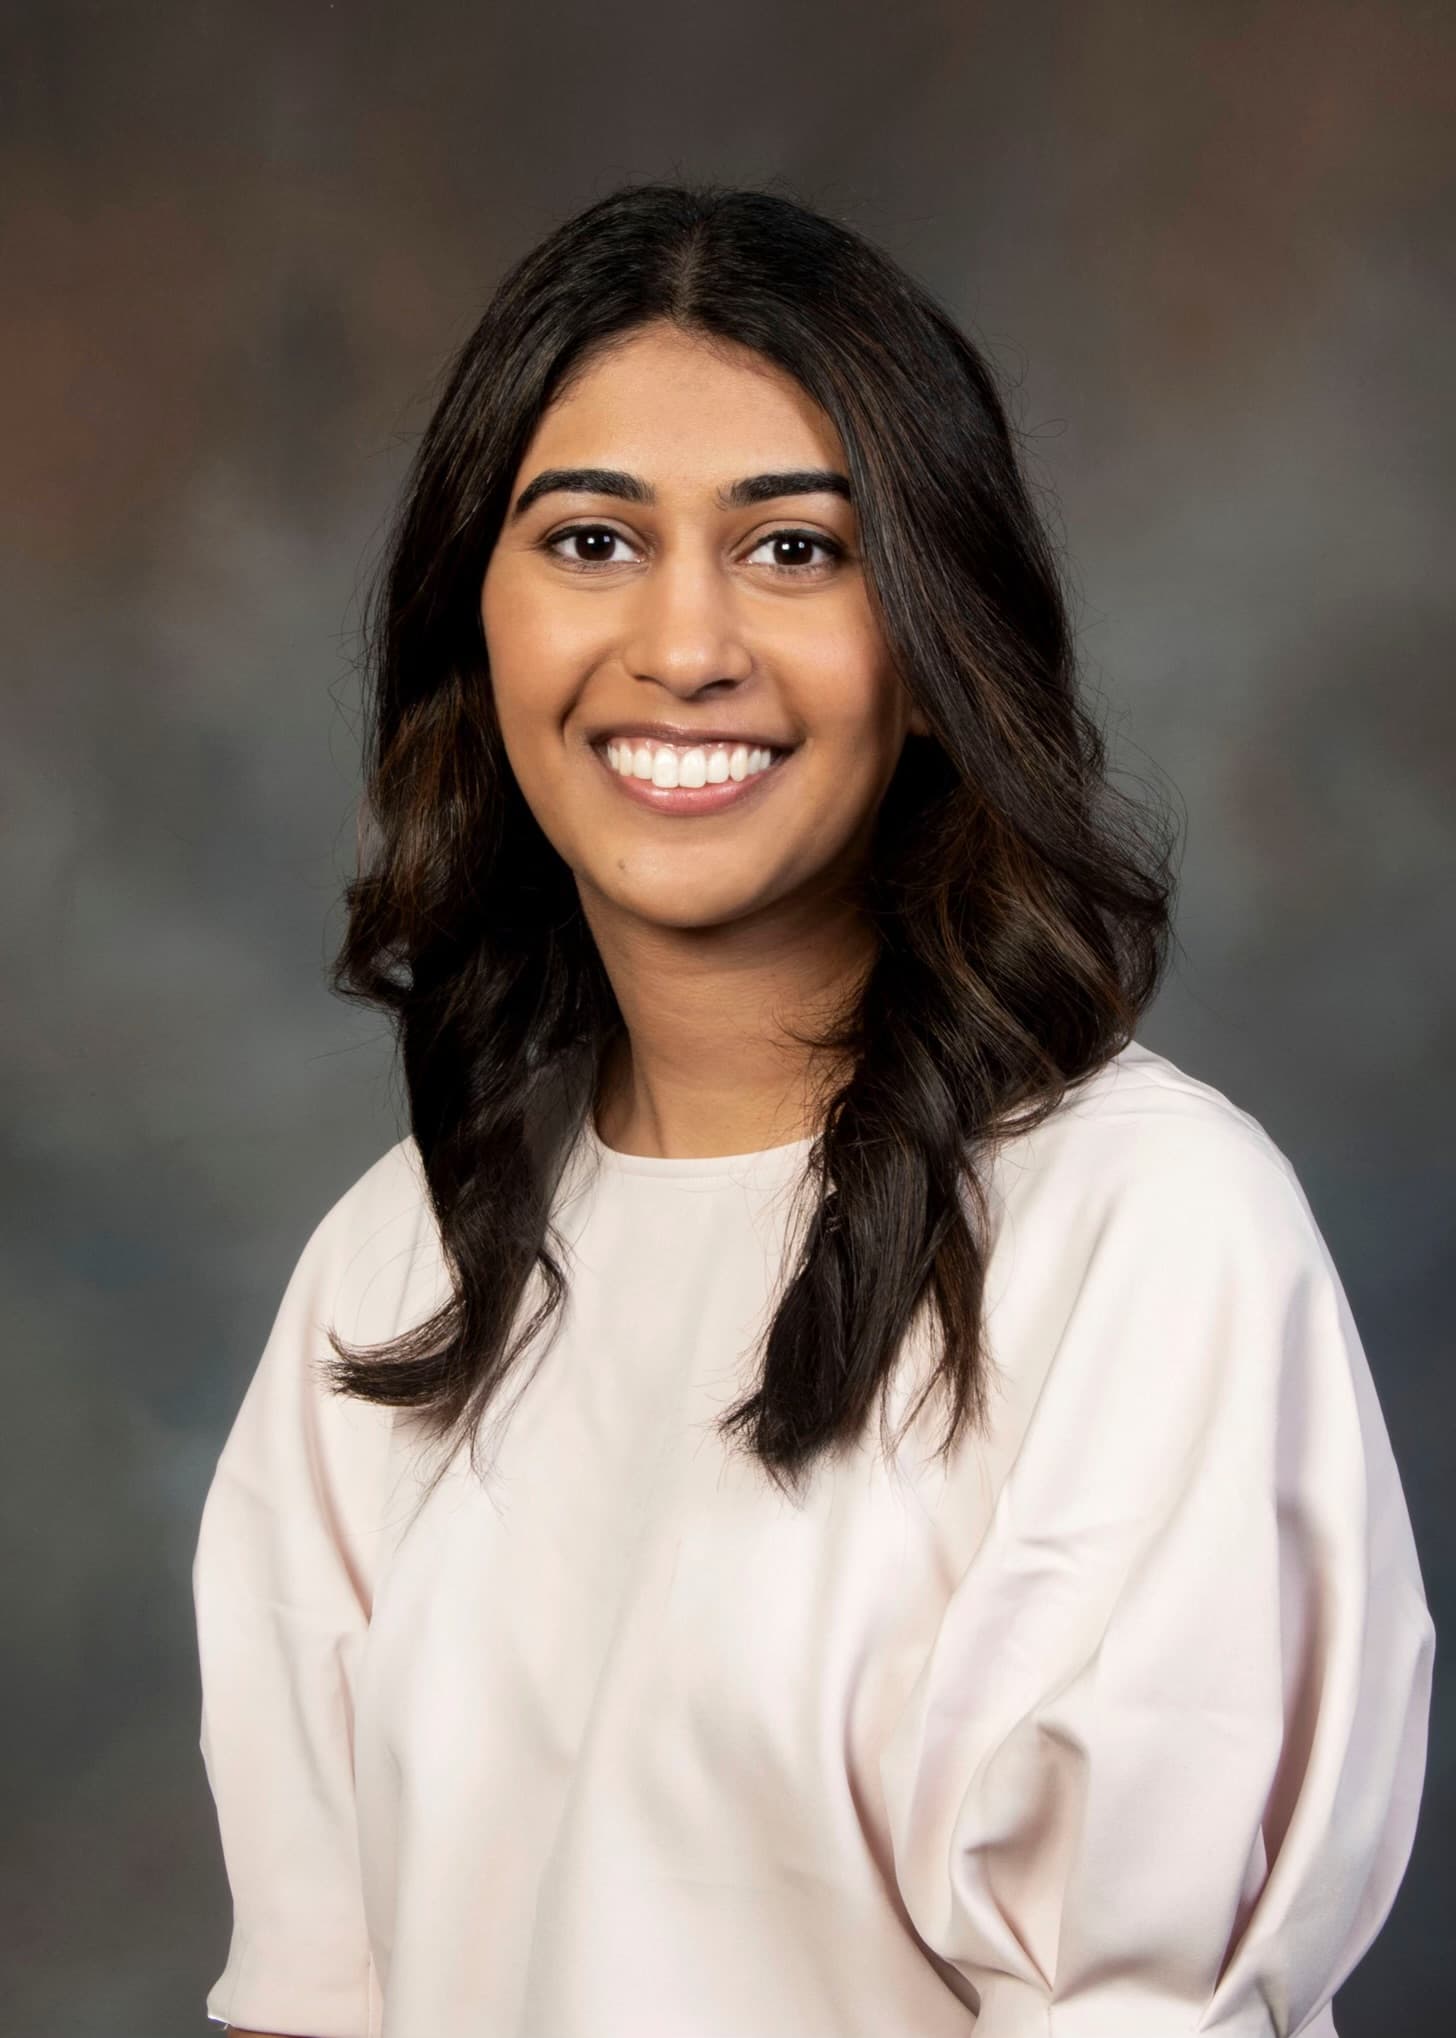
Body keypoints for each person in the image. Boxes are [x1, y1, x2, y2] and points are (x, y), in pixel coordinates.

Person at [191, 181, 1435, 2038]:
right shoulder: (393, 1272)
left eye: (794, 551)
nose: (683, 643)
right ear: (484, 629)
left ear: (936, 657)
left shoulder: (1146, 1234)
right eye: (593, 539)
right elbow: (318, 1999)